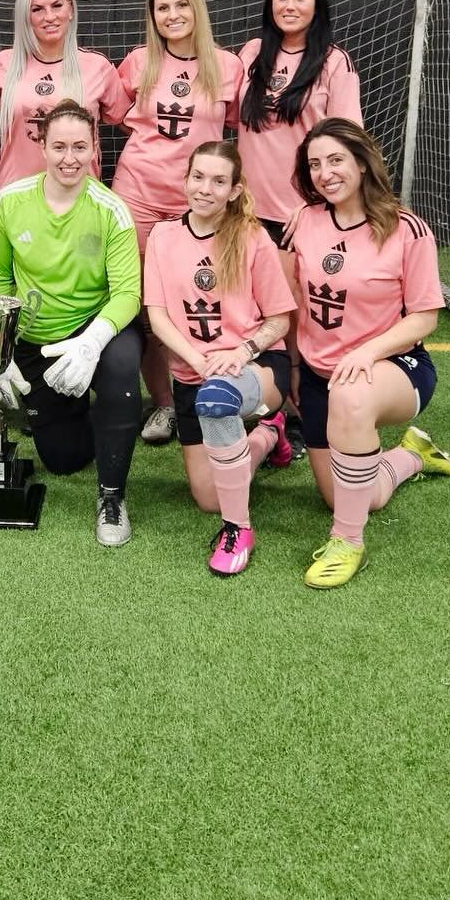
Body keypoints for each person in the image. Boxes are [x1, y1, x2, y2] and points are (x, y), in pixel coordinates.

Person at [276, 117, 450, 590]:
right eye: (314, 164)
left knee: (352, 397)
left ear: (361, 162)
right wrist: (294, 365)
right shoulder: (304, 222)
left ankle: (347, 542)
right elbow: (290, 301)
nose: (324, 172)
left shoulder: (406, 229)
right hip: (320, 375)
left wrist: (367, 351)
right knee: (350, 494)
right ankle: (411, 456)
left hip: (395, 366)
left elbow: (424, 317)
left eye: (335, 160)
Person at [0, 100, 143, 547]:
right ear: (42, 148)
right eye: (59, 147)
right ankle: (90, 415)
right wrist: (2, 348)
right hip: (36, 339)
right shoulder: (9, 203)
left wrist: (91, 345)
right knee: (63, 459)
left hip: (95, 329)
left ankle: (112, 496)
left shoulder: (111, 209)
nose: (69, 157)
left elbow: (128, 293)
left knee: (122, 370)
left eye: (79, 146)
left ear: (94, 148)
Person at [144, 142, 296, 577]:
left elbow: (281, 320)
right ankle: (269, 436)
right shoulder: (163, 236)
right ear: (186, 179)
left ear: (233, 190)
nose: (205, 188)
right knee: (208, 497)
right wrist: (197, 358)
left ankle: (239, 530)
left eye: (217, 181)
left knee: (217, 398)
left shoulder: (251, 237)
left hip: (257, 366)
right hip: (193, 373)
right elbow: (157, 315)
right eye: (198, 177)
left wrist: (241, 351)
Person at [110, 0, 245, 446]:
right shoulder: (137, 62)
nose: (172, 15)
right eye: (162, 7)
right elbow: (116, 114)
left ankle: (213, 387)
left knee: (204, 299)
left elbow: (232, 129)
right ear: (152, 15)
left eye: (181, 5)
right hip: (139, 195)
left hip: (201, 203)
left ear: (197, 8)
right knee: (150, 307)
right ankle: (164, 405)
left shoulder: (227, 66)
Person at [235, 0, 362, 241]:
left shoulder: (335, 62)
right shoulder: (252, 52)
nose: (289, 6)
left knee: (290, 287)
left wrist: (315, 202)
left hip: (300, 215)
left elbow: (349, 144)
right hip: (244, 211)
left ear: (317, 6)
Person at [0, 0, 131, 190]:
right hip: (16, 194)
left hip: (78, 193)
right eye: (37, 9)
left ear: (71, 10)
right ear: (25, 17)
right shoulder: (3, 64)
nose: (49, 16)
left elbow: (122, 119)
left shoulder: (98, 67)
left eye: (57, 6)